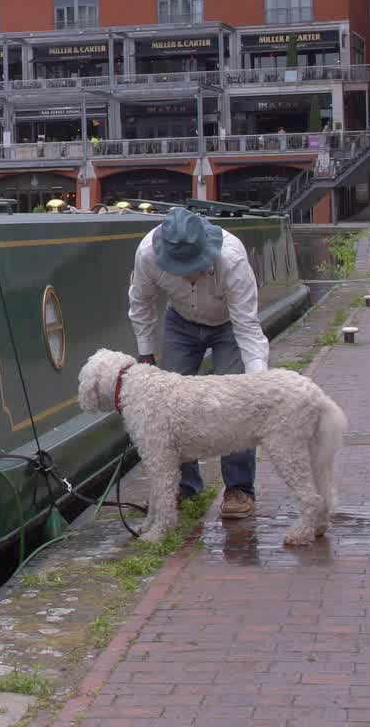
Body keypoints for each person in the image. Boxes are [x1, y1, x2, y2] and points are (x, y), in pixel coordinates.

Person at [126, 206, 271, 521]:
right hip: (180, 322)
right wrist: (147, 353)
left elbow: (247, 326)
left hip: (229, 325)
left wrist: (257, 383)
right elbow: (142, 303)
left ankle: (239, 488)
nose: (190, 274)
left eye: (196, 266)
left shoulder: (232, 259)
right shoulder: (147, 254)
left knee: (236, 403)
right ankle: (186, 485)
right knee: (170, 405)